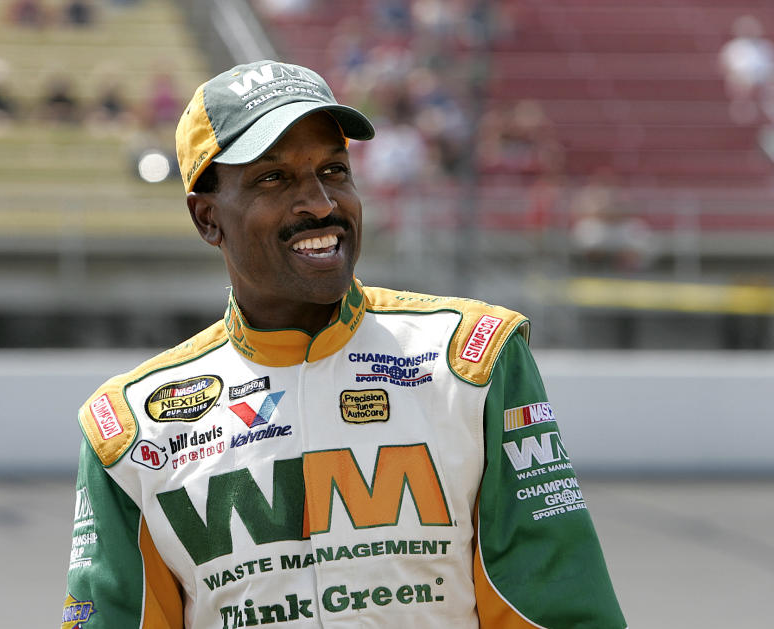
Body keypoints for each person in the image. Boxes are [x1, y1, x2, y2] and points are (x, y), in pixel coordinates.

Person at [61, 60, 626, 628]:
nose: (321, 204)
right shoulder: (128, 428)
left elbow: (556, 607)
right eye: (273, 179)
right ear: (207, 217)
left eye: (334, 170)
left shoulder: (473, 360)